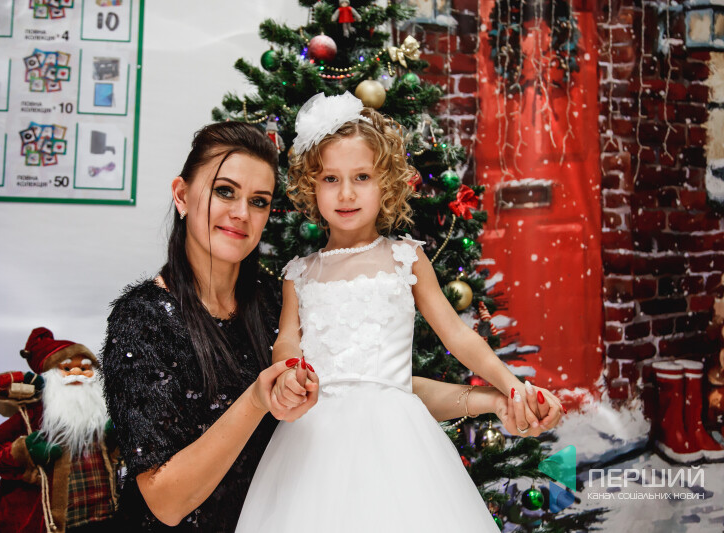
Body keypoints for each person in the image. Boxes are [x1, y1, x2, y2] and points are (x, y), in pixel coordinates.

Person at [235, 92, 564, 532]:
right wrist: (291, 372)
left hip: (396, 438)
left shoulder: (405, 258)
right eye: (331, 178)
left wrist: (511, 386)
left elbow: (457, 335)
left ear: (386, 183)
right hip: (310, 440)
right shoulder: (300, 273)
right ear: (311, 185)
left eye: (362, 176)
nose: (346, 193)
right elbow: (287, 340)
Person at [100, 121, 319, 532]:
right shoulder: (142, 319)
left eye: (259, 201)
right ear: (182, 195)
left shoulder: (279, 304)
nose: (241, 213)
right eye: (225, 191)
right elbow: (166, 502)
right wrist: (257, 399)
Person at [0, 327, 118, 533]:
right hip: (45, 521)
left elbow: (113, 457)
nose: (77, 373)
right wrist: (27, 452)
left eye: (85, 368)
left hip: (101, 516)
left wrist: (115, 438)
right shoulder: (34, 412)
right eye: (67, 368)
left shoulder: (101, 413)